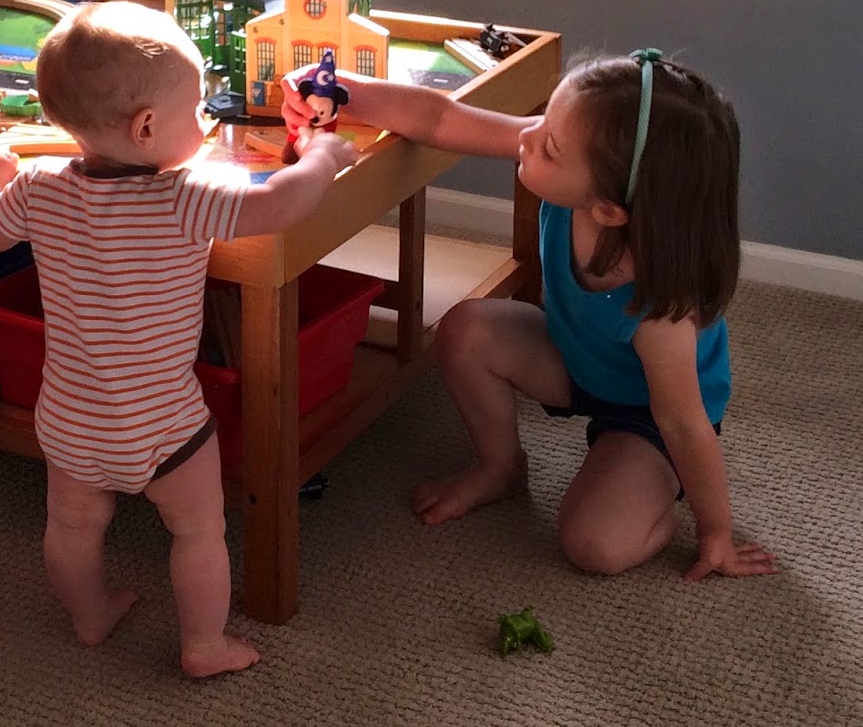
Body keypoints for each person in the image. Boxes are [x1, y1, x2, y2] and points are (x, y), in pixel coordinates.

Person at [0, 1, 358, 676]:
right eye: (197, 109)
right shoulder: (183, 195)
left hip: (70, 417)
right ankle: (204, 645)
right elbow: (281, 204)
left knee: (72, 526)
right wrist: (321, 156)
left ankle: (90, 617)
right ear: (146, 128)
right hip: (163, 424)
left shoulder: (37, 185)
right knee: (199, 529)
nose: (205, 122)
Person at [279, 49, 777, 581]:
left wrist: (716, 533)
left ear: (609, 211)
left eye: (549, 144)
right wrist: (347, 92)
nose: (527, 136)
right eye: (543, 122)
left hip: (650, 414)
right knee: (466, 329)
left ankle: (657, 492)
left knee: (595, 545)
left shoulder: (659, 311)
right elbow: (441, 119)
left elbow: (683, 421)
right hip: (576, 358)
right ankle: (501, 468)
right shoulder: (573, 166)